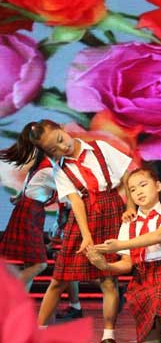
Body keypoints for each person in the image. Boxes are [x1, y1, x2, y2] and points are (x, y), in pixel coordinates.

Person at [11, 119, 135, 343]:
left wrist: (130, 206)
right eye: (53, 149)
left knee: (108, 280)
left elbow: (126, 173)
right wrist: (85, 235)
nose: (62, 148)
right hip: (84, 216)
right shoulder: (60, 168)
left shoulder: (100, 147)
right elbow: (76, 201)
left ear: (62, 129)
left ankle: (108, 335)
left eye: (60, 140)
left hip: (111, 211)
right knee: (59, 279)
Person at [86, 167, 161, 343]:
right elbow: (127, 263)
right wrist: (105, 266)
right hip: (142, 277)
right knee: (150, 338)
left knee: (160, 294)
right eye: (133, 190)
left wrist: (120, 244)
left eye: (143, 185)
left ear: (158, 186)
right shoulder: (128, 225)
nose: (138, 192)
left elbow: (157, 236)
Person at [0, 135, 57, 292]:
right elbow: (69, 190)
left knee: (31, 263)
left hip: (29, 212)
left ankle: (18, 306)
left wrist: (18, 197)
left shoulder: (39, 168)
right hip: (30, 215)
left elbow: (25, 191)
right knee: (40, 264)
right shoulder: (48, 170)